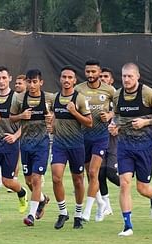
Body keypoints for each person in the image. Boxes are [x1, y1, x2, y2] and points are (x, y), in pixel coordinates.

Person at [108, 62, 152, 237]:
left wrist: (146, 122)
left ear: (137, 76)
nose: (126, 80)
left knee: (142, 188)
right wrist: (113, 126)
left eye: (130, 76)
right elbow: (117, 118)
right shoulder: (117, 95)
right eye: (124, 76)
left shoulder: (148, 93)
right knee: (124, 183)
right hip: (124, 146)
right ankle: (127, 225)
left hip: (144, 147)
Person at [0, 66, 28, 224]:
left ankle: (22, 193)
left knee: (8, 181)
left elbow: (28, 121)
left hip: (10, 145)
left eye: (4, 78)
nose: (1, 81)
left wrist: (15, 136)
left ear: (10, 78)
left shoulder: (18, 98)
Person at [10, 69, 54, 226]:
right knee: (28, 181)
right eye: (29, 82)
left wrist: (52, 118)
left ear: (41, 82)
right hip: (26, 145)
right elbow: (11, 117)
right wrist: (21, 116)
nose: (32, 85)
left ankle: (31, 215)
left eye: (35, 81)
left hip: (42, 145)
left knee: (36, 179)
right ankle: (42, 199)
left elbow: (57, 115)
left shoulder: (49, 98)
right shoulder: (20, 99)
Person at [50, 66, 92, 230]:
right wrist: (51, 126)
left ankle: (78, 215)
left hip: (76, 145)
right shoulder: (55, 98)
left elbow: (89, 123)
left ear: (75, 81)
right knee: (56, 177)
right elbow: (55, 118)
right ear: (60, 79)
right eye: (64, 77)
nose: (66, 80)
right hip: (59, 144)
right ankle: (63, 212)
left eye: (70, 77)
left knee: (78, 180)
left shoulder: (80, 99)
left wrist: (74, 112)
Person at [74, 60, 115, 222]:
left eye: (93, 72)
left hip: (100, 137)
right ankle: (100, 203)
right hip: (82, 137)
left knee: (93, 172)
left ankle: (87, 211)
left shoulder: (109, 90)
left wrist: (110, 115)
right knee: (87, 174)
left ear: (99, 72)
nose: (90, 75)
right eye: (88, 72)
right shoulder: (79, 89)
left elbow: (118, 108)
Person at [98, 67, 119, 216]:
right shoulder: (95, 97)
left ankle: (129, 183)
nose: (102, 79)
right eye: (101, 76)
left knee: (111, 174)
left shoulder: (118, 96)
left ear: (111, 80)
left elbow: (124, 114)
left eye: (105, 76)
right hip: (98, 139)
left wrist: (118, 126)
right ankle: (106, 206)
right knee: (99, 174)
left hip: (115, 141)